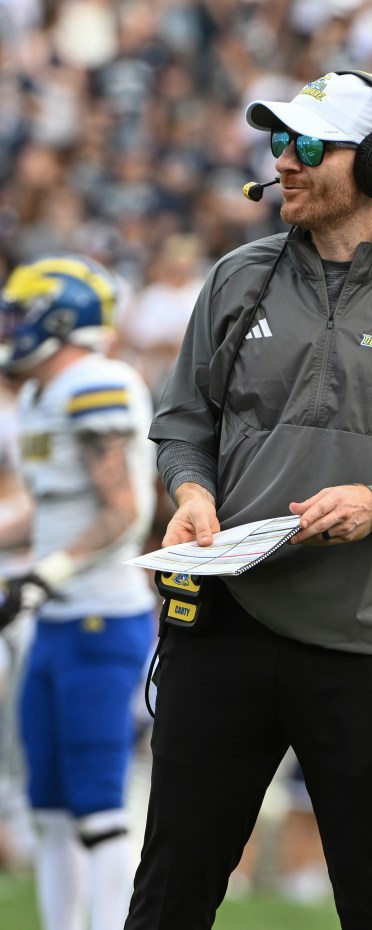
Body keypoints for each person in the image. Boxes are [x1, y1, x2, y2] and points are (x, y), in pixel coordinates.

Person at [123, 69, 372, 930]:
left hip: (363, 640)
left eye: (310, 146)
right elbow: (181, 423)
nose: (285, 163)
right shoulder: (238, 277)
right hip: (222, 623)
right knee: (168, 897)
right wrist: (191, 493)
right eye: (279, 143)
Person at [0, 253, 157, 930]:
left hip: (101, 614)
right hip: (60, 615)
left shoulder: (98, 382)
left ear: (62, 320)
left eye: (21, 314)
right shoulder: (39, 395)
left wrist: (45, 574)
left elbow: (123, 510)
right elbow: (53, 502)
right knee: (48, 802)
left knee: (97, 802)